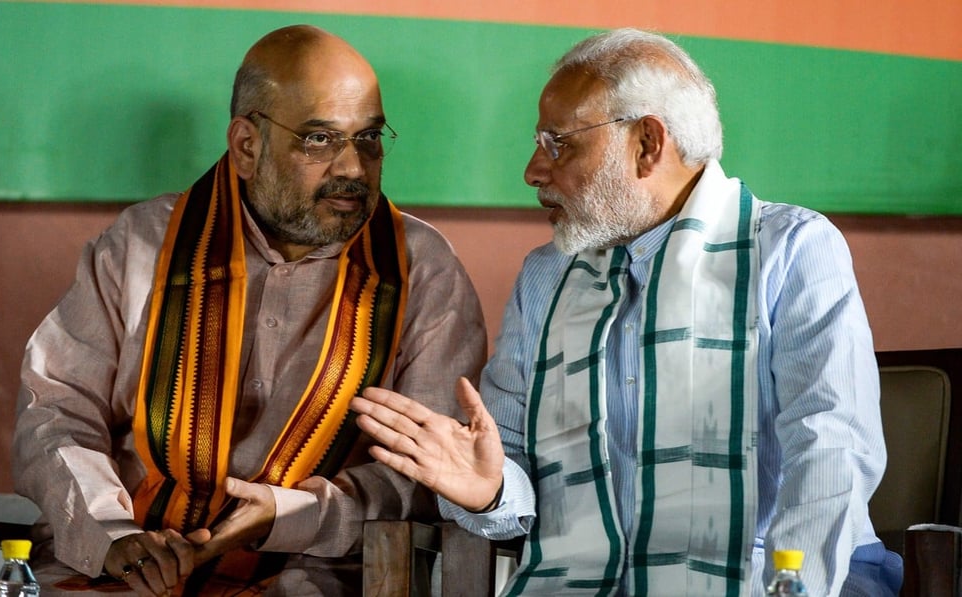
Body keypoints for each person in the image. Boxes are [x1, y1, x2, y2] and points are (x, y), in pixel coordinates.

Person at [350, 28, 902, 596]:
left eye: (557, 143)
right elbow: (507, 471)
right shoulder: (548, 277)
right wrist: (488, 487)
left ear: (647, 144)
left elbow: (831, 449)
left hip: (775, 577)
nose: (534, 171)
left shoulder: (790, 250)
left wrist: (793, 586)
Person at [12, 24, 486, 596]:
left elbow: (427, 469)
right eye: (319, 140)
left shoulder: (421, 269)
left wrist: (294, 514)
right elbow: (56, 412)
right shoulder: (141, 245)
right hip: (127, 564)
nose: (355, 169)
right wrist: (110, 534)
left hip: (310, 574)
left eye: (368, 139)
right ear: (246, 146)